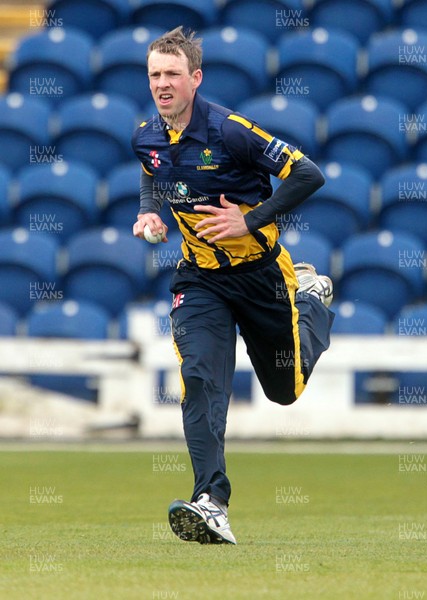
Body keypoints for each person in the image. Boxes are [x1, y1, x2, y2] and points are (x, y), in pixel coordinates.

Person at [132, 26, 334, 545]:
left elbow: (308, 174)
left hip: (262, 276)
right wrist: (149, 213)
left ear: (195, 78)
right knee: (200, 379)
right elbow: (153, 172)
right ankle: (211, 501)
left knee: (284, 391)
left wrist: (249, 221)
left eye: (172, 73)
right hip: (199, 279)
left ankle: (310, 300)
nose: (162, 83)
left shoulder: (230, 131)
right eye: (154, 74)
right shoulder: (145, 135)